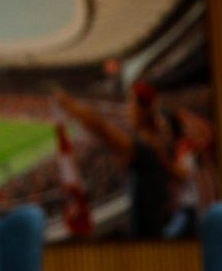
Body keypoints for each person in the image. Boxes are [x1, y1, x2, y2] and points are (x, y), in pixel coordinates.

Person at [52, 82, 182, 238]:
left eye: (131, 102)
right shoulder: (156, 144)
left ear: (143, 110)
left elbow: (103, 129)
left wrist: (70, 106)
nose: (128, 109)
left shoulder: (146, 147)